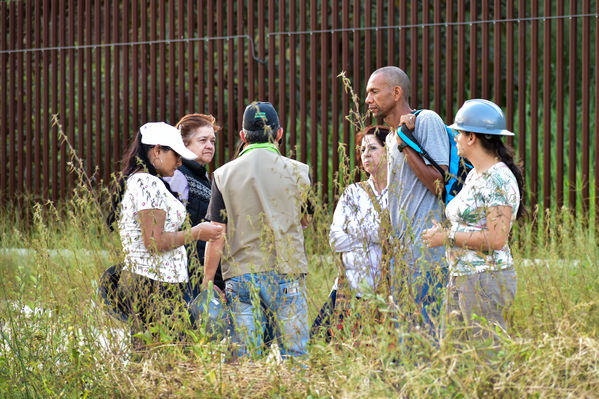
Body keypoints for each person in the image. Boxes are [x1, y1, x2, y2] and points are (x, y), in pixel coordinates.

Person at [202, 101, 313, 358]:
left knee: (246, 356)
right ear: (279, 133)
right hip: (288, 271)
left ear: (242, 136)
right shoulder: (299, 171)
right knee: (295, 355)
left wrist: (208, 279)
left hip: (241, 274)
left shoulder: (222, 175)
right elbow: (305, 220)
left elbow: (216, 232)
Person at [422, 99, 524, 341]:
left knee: (488, 362)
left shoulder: (497, 179)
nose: (455, 138)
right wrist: (448, 230)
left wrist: (447, 236)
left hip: (485, 280)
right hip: (463, 277)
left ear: (472, 138)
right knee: (458, 363)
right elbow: (472, 222)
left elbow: (497, 239)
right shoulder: (476, 175)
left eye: (458, 133)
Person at [115, 122, 223, 348]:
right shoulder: (148, 183)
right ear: (157, 151)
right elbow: (154, 241)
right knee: (170, 354)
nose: (180, 162)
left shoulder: (145, 181)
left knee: (152, 353)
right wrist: (196, 233)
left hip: (154, 282)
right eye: (176, 155)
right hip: (154, 284)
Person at [365, 66, 449, 332]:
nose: (368, 99)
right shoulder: (391, 136)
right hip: (402, 258)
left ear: (396, 92)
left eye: (374, 92)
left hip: (427, 256)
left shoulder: (426, 121)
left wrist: (405, 143)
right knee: (404, 335)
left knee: (426, 333)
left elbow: (439, 183)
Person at [163, 113, 225, 300]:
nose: (209, 146)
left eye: (212, 141)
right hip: (184, 278)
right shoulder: (178, 177)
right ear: (185, 144)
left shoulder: (204, 178)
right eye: (203, 140)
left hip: (201, 276)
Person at [329, 125, 390, 297]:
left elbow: (394, 237)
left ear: (389, 151)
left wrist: (353, 229)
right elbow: (335, 239)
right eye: (362, 149)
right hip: (349, 289)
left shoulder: (399, 193)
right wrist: (373, 238)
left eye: (373, 148)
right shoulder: (353, 192)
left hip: (385, 292)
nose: (366, 154)